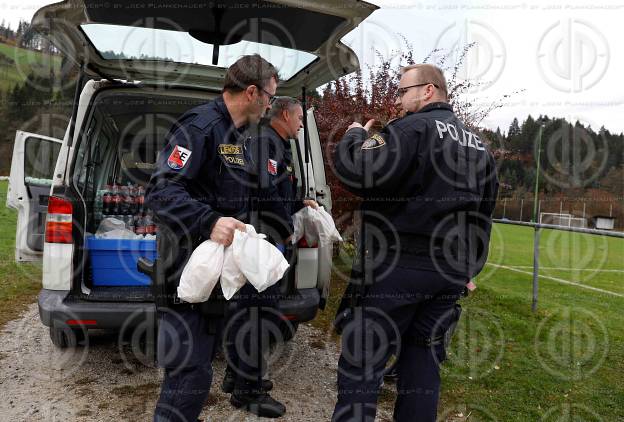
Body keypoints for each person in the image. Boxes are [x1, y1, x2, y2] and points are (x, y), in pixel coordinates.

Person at [331, 63, 499, 421]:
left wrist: (354, 136)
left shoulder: (407, 130)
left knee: (364, 358)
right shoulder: (480, 148)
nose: (399, 98)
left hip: (397, 266)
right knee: (423, 360)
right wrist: (468, 269)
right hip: (448, 274)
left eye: (404, 91)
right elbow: (483, 216)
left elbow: (357, 171)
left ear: (428, 90)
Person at [145, 54, 282, 422]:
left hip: (216, 279)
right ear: (252, 92)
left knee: (200, 369)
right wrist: (208, 221)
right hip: (185, 275)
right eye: (270, 96)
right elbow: (160, 194)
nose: (271, 105)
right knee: (189, 376)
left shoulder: (240, 137)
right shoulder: (200, 127)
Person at [220, 96, 317, 417]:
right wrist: (284, 228)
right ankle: (247, 392)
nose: (302, 124)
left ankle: (236, 377)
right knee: (257, 318)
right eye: (300, 117)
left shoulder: (274, 144)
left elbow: (277, 191)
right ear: (286, 115)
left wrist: (301, 204)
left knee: (248, 312)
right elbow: (263, 189)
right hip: (264, 242)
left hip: (266, 240)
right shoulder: (265, 143)